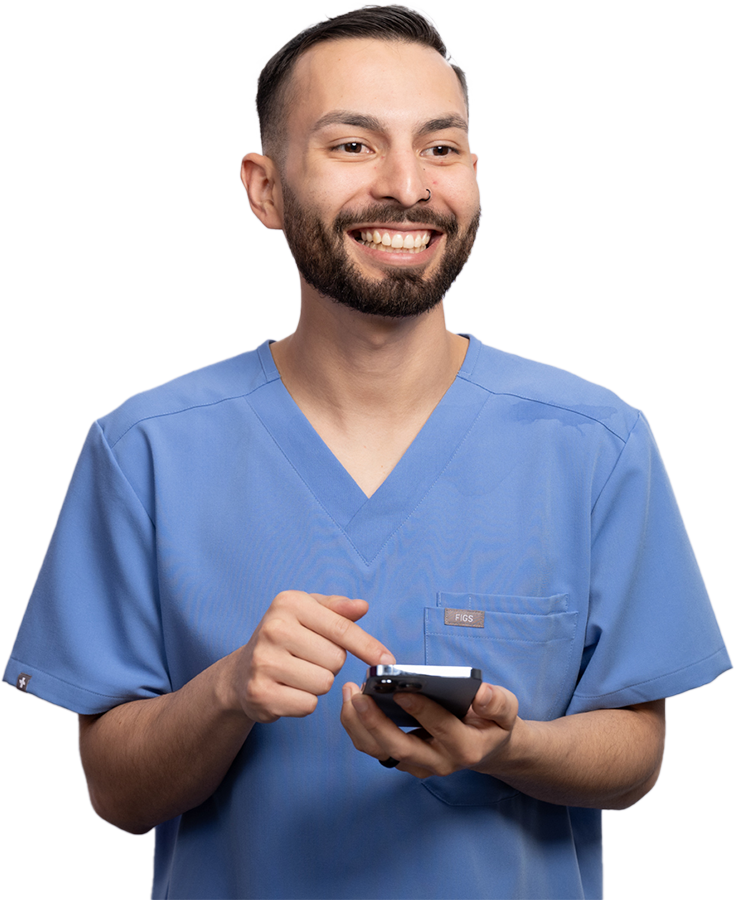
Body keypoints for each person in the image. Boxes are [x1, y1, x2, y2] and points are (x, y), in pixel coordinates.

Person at [4, 5, 730, 899]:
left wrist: (512, 744)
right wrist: (227, 690)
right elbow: (116, 793)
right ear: (265, 189)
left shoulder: (595, 445)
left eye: (441, 147)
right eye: (352, 146)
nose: (407, 186)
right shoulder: (144, 451)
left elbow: (636, 755)